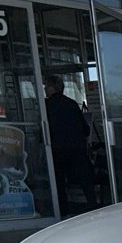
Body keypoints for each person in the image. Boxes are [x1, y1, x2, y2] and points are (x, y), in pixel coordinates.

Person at [43, 74, 97, 214]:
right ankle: (92, 205)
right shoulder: (72, 104)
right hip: (76, 148)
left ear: (52, 88)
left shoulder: (47, 106)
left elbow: (43, 130)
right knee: (85, 178)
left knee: (59, 181)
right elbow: (85, 129)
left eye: (46, 86)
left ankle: (62, 210)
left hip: (57, 149)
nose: (44, 89)